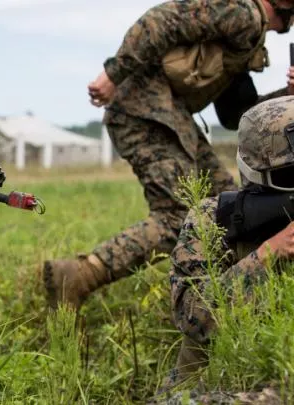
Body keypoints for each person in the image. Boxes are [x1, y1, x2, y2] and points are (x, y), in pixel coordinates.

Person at [43, 0, 294, 311]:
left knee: (229, 206)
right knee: (179, 217)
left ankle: (216, 302)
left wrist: (288, 94)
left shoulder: (246, 37)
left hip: (174, 118)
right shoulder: (243, 12)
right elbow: (163, 19)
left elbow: (235, 115)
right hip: (142, 111)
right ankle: (79, 275)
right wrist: (113, 73)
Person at [168, 95, 294, 385]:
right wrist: (267, 255)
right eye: (289, 175)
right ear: (255, 172)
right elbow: (192, 317)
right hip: (215, 379)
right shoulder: (212, 220)